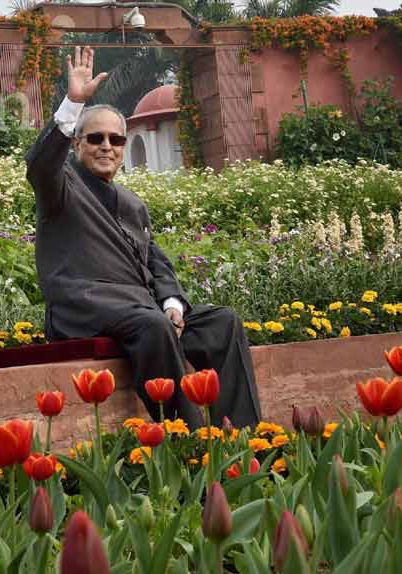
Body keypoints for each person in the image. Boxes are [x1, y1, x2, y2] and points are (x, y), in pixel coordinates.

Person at [25, 46, 261, 428]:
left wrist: (172, 302)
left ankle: (244, 441)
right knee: (151, 325)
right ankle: (191, 444)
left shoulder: (132, 203)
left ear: (122, 149)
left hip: (140, 310)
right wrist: (72, 103)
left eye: (116, 140)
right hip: (84, 310)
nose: (106, 146)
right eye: (96, 138)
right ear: (77, 144)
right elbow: (40, 165)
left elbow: (155, 259)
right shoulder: (61, 186)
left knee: (223, 323)